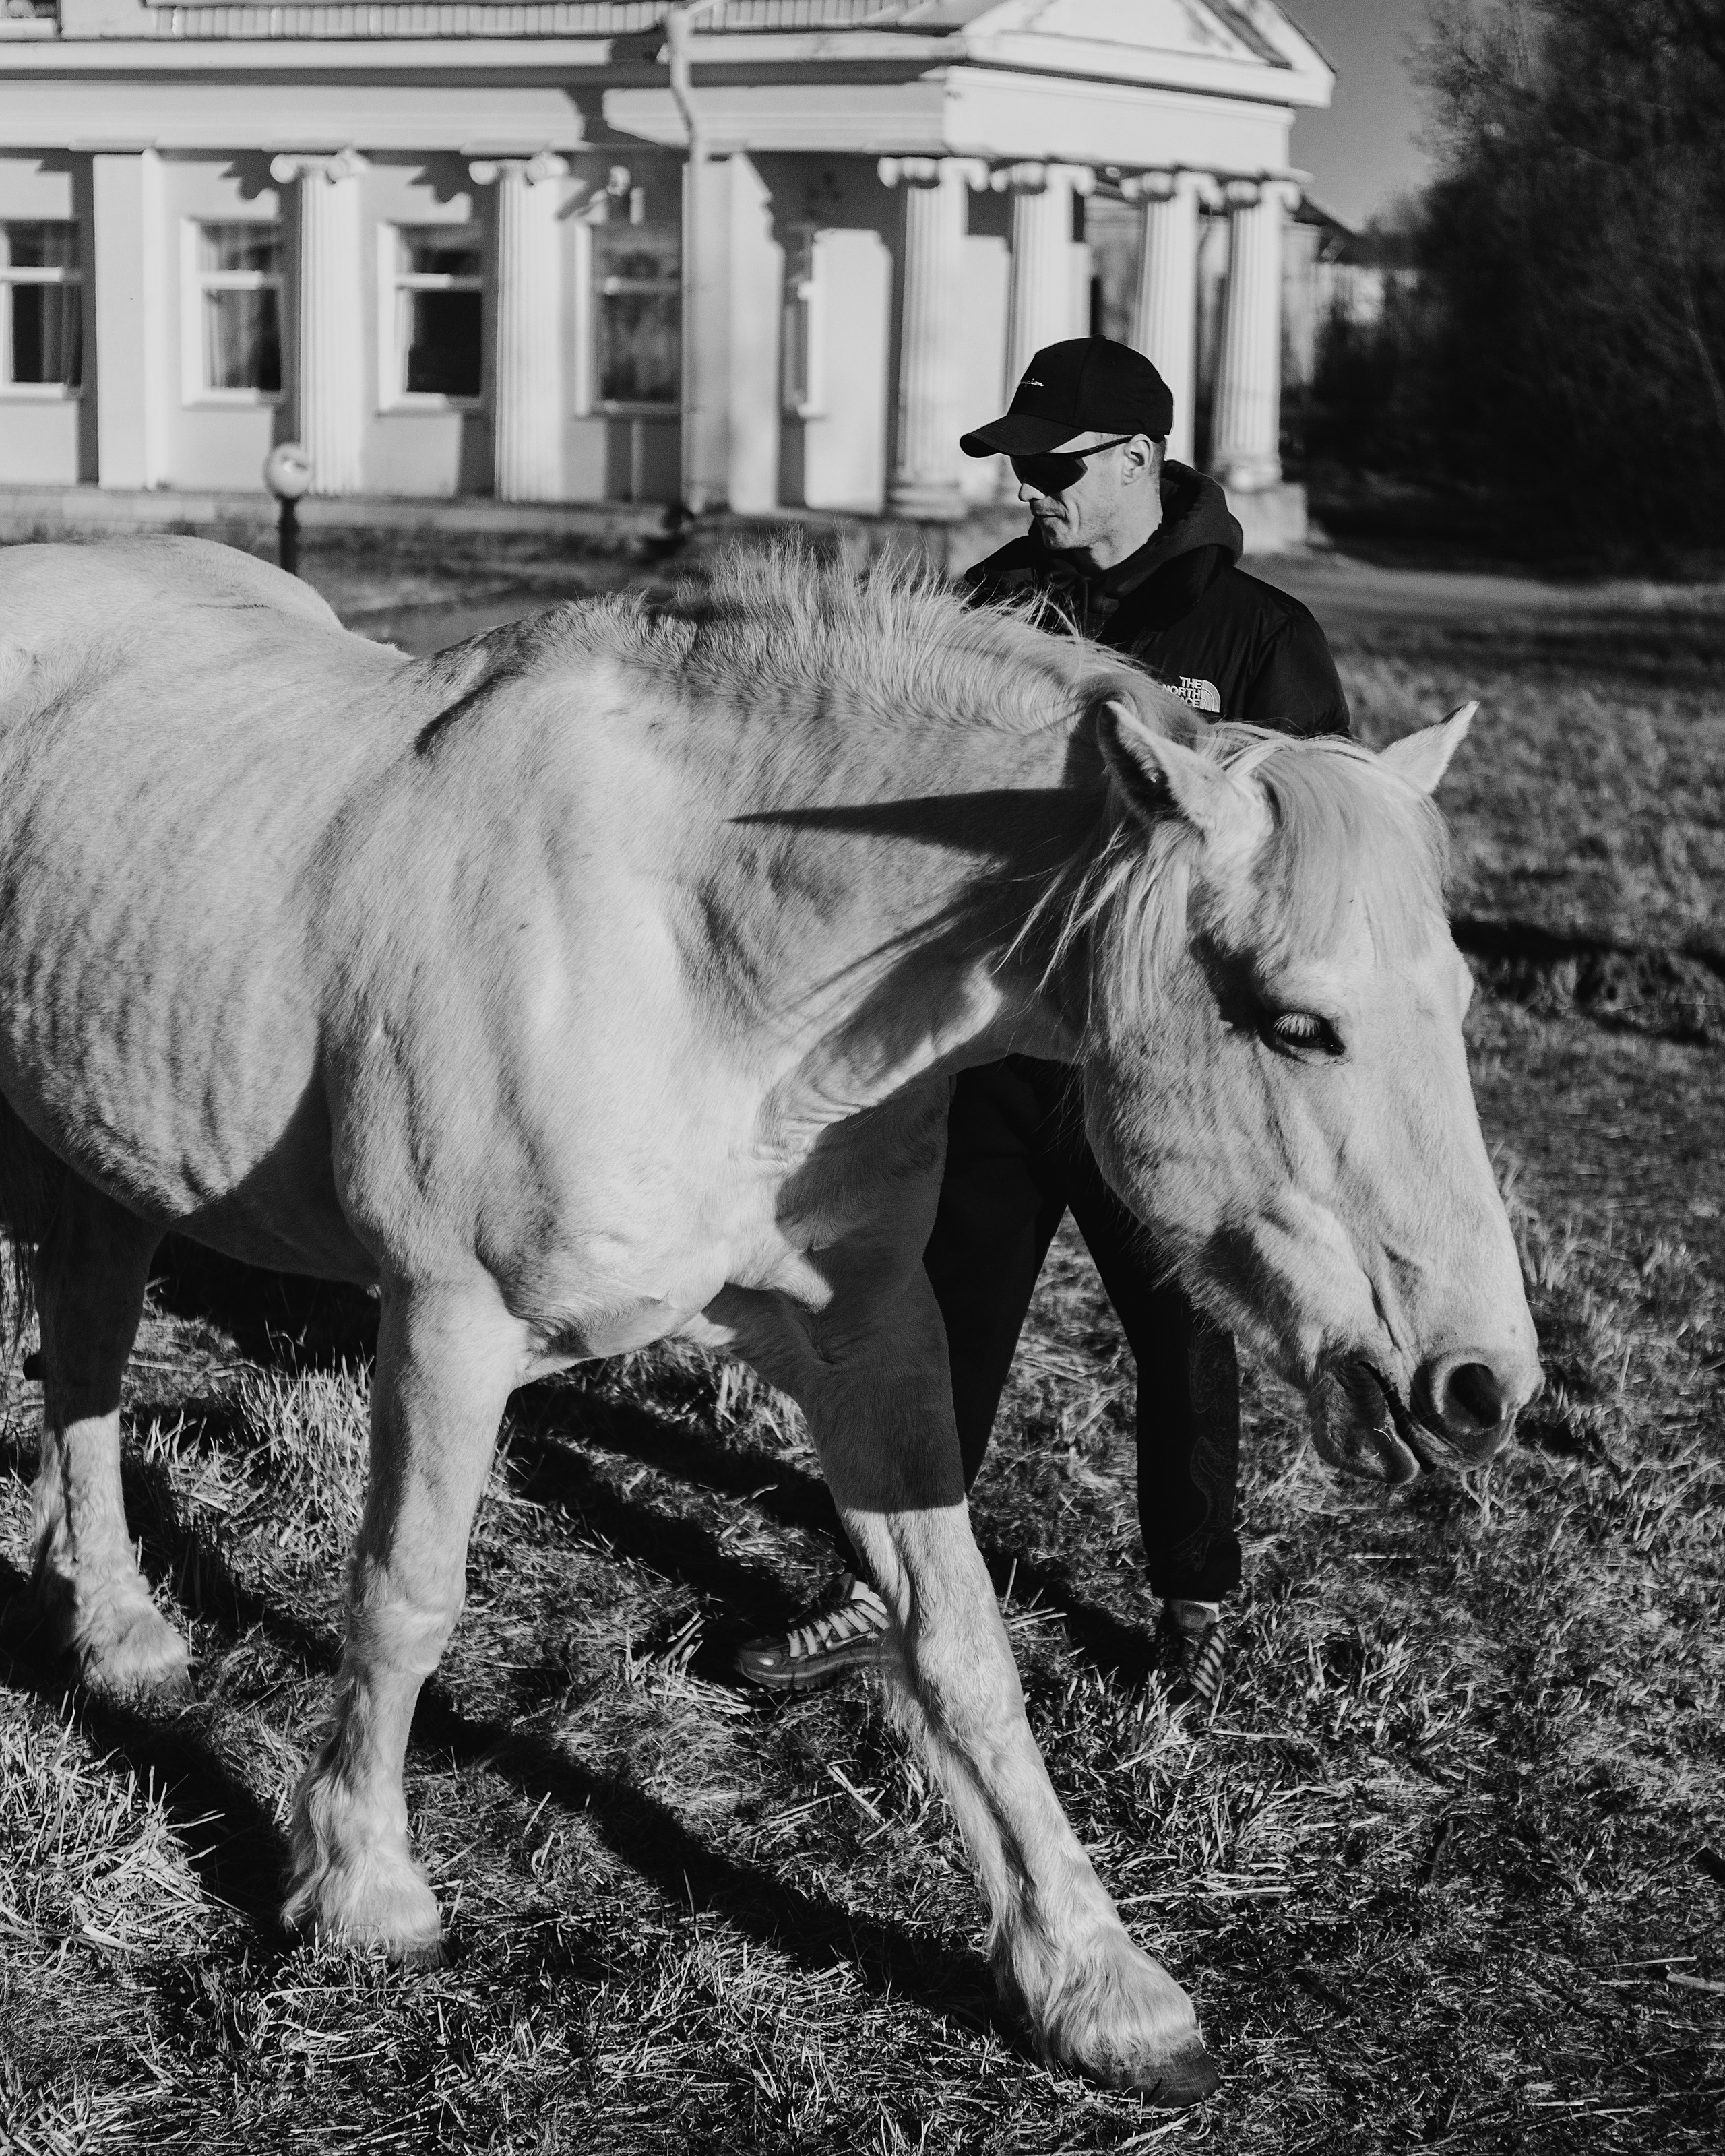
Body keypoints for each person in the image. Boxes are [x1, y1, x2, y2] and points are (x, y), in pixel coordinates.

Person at [736, 336, 1351, 1708]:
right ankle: (880, 1587)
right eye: (1016, 467)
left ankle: (1191, 1603)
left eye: (1054, 468)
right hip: (1003, 1059)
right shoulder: (997, 602)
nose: (1031, 493)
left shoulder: (1258, 637)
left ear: (1140, 458)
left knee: (1179, 1339)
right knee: (932, 1330)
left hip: (1157, 1074)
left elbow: (1308, 866)